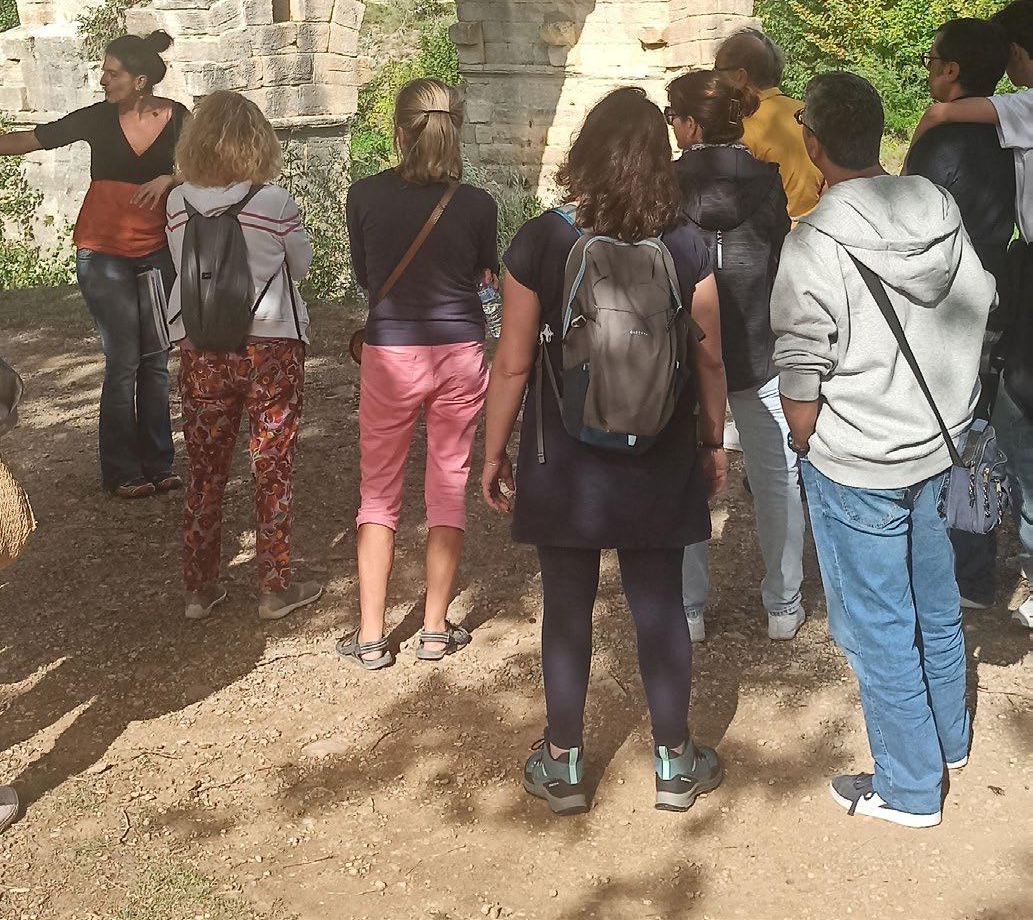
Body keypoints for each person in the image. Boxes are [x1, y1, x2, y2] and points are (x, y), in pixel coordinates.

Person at [482, 87, 727, 815]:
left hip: (565, 460)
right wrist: (712, 441)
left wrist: (493, 452)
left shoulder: (540, 239)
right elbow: (710, 358)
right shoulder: (686, 243)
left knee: (566, 607)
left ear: (584, 151)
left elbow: (512, 363)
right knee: (659, 604)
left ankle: (562, 765)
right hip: (660, 452)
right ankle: (675, 763)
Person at [772, 72, 996, 828]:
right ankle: (947, 741)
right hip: (936, 445)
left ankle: (909, 787)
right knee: (935, 604)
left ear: (813, 144)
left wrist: (805, 437)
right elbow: (981, 299)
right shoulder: (936, 207)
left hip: (856, 461)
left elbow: (799, 370)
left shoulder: (813, 241)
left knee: (879, 627)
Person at [341, 78, 498, 669]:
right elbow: (484, 274)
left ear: (398, 130)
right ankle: (434, 629)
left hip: (391, 352)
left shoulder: (364, 195)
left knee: (378, 492)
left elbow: (366, 275)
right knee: (448, 484)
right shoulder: (479, 205)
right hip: (459, 352)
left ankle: (371, 635)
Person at [0, 31, 186, 498]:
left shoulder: (178, 117)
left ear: (139, 81)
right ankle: (122, 471)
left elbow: (209, 164)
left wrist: (170, 178)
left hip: (156, 252)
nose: (103, 80)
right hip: (102, 254)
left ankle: (159, 463)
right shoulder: (98, 118)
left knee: (156, 360)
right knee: (123, 360)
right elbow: (32, 139)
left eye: (111, 73)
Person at [166, 91, 322, 621]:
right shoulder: (274, 202)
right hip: (269, 347)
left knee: (204, 470)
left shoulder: (176, 202)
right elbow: (299, 267)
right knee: (271, 465)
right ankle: (274, 588)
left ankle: (199, 589)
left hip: (201, 348)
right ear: (257, 142)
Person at [667, 70, 804, 642]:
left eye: (672, 116)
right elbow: (782, 259)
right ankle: (784, 602)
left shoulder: (667, 183)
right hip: (758, 340)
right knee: (778, 478)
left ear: (690, 124)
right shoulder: (769, 180)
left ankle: (688, 608)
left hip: (685, 349)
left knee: (683, 476)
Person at [904, 19, 1014, 610]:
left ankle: (946, 564)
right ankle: (975, 570)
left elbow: (910, 223)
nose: (928, 70)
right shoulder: (1009, 129)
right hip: (993, 287)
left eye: (930, 60)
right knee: (976, 426)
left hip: (942, 302)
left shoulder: (943, 142)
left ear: (950, 70)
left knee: (936, 427)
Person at [714, 27, 823, 219]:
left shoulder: (739, 130)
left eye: (717, 70)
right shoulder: (812, 114)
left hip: (770, 233)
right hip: (816, 226)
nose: (714, 79)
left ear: (740, 77)